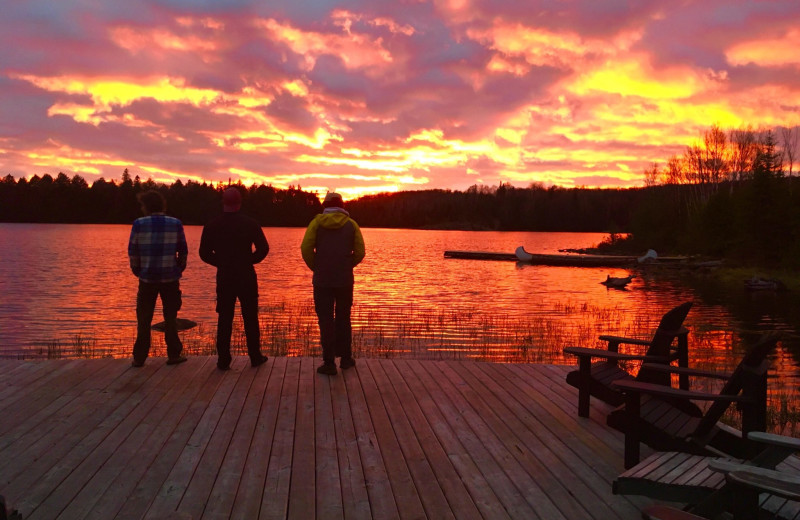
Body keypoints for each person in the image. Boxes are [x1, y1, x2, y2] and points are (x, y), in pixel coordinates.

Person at [199, 187, 269, 370]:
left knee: (225, 317)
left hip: (225, 277)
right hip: (246, 275)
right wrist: (249, 261)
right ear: (240, 203)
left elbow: (204, 254)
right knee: (250, 317)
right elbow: (263, 249)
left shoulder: (212, 225)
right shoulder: (251, 224)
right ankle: (255, 357)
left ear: (223, 202)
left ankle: (223, 360)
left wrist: (221, 263)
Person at [301, 192, 365, 375]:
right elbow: (360, 251)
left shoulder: (316, 223)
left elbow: (305, 249)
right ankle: (345, 359)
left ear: (325, 205)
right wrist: (347, 264)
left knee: (325, 320)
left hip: (322, 280)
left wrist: (317, 267)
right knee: (344, 318)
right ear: (342, 206)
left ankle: (329, 363)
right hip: (344, 279)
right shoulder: (351, 224)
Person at [128, 190, 188, 367]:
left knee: (144, 319)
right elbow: (183, 250)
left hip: (147, 279)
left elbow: (133, 251)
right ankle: (174, 355)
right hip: (170, 279)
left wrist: (137, 269)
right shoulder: (175, 223)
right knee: (171, 317)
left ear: (146, 206)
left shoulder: (139, 223)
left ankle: (139, 357)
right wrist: (178, 268)